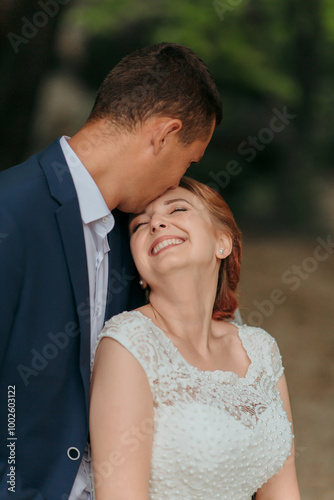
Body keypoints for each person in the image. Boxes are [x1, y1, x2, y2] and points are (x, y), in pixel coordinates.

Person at [0, 43, 222, 499]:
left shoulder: (136, 239)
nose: (178, 182)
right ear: (163, 135)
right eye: (189, 161)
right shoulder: (10, 212)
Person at [90, 177, 301, 500]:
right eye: (139, 225)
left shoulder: (260, 350)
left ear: (223, 243)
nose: (157, 223)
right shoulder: (128, 344)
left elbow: (283, 491)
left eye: (177, 209)